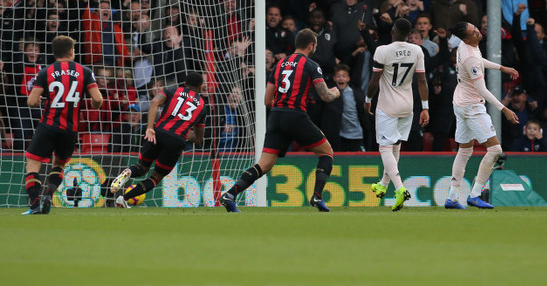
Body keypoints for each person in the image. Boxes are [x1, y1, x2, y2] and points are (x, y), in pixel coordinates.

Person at [220, 28, 340, 213]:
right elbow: (324, 95)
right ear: (311, 45)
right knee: (327, 152)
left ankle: (230, 194)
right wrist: (335, 92)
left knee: (264, 164)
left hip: (276, 116)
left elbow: (267, 101)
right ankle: (317, 196)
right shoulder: (311, 64)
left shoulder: (279, 65)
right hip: (296, 115)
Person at [21, 36, 103, 215]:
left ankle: (34, 204)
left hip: (48, 125)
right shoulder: (85, 71)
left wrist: (41, 100)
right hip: (70, 129)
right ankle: (49, 194)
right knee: (58, 165)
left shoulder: (45, 71)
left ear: (53, 53)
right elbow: (97, 99)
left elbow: (32, 101)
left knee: (33, 165)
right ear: (71, 51)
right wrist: (93, 104)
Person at [444, 22, 519, 210]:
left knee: (464, 151)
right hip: (472, 107)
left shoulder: (465, 46)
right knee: (495, 150)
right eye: (473, 32)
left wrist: (502, 68)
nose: (478, 31)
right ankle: (475, 194)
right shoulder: (469, 56)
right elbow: (482, 89)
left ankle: (452, 197)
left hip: (460, 103)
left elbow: (480, 60)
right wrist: (505, 109)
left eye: (475, 28)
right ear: (467, 38)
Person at [109, 72, 207, 208]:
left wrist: (150, 127)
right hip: (176, 141)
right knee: (155, 178)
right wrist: (184, 133)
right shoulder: (202, 106)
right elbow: (198, 138)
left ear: (184, 83)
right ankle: (123, 198)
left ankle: (128, 172)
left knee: (141, 167)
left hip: (157, 132)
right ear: (201, 86)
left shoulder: (173, 90)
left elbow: (155, 102)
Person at [364, 18, 430, 212]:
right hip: (407, 105)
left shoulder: (382, 51)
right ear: (409, 34)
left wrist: (368, 99)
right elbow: (422, 80)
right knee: (396, 146)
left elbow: (375, 81)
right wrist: (425, 107)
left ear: (393, 30)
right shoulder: (417, 50)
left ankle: (400, 188)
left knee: (385, 147)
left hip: (387, 105)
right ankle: (383, 184)